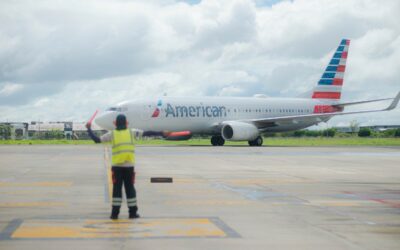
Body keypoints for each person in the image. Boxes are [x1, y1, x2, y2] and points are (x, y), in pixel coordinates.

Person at [86, 114, 167, 220]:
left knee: (117, 190)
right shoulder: (132, 132)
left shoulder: (112, 134)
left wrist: (89, 129)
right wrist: (161, 133)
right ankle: (132, 213)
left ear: (115, 123)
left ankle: (114, 214)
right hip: (129, 167)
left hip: (117, 167)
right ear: (127, 123)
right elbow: (148, 133)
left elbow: (97, 140)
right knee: (130, 189)